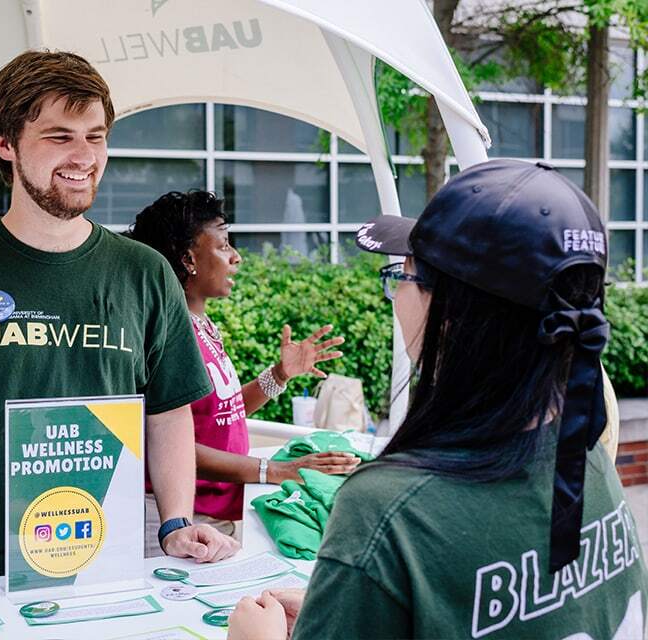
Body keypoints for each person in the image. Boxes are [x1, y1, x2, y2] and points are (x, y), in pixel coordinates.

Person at [0, 51, 239, 602]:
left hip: (110, 574)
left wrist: (175, 522)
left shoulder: (144, 272)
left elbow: (169, 410)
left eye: (96, 136)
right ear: (6, 144)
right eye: (59, 137)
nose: (84, 157)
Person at [227, 159, 648, 639]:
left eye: (400, 277)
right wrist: (351, 599)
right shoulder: (587, 457)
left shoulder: (389, 512)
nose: (395, 296)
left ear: (450, 313)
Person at [127, 191, 360, 554]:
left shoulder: (199, 323)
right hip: (179, 520)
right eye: (223, 246)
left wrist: (279, 375)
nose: (236, 258)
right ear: (188, 259)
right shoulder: (163, 332)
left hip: (215, 515)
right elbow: (168, 442)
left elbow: (222, 415)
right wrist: (272, 470)